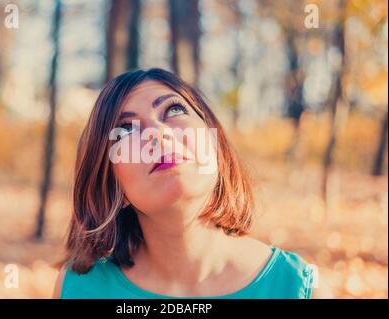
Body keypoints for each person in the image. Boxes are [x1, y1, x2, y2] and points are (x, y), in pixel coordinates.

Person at [52, 68, 322, 299]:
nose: (157, 133)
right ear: (113, 186)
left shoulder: (294, 286)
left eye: (174, 109)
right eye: (126, 130)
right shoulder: (80, 289)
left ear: (216, 145)